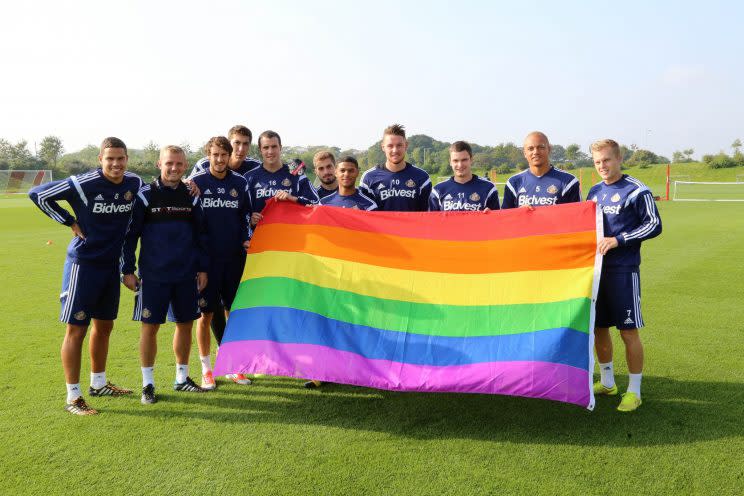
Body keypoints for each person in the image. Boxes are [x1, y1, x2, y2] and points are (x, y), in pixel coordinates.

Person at [29, 137, 142, 415]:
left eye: (121, 158)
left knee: (104, 326)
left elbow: (156, 192)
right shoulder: (84, 183)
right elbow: (39, 194)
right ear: (100, 160)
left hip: (110, 267)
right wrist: (69, 221)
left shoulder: (134, 183)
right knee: (76, 330)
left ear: (127, 159)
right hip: (84, 265)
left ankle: (99, 383)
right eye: (110, 159)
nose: (116, 164)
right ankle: (73, 397)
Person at [121, 145, 210, 404]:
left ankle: (182, 378)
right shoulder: (145, 196)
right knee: (150, 328)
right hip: (153, 276)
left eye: (179, 164)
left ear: (185, 166)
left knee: (185, 325)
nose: (174, 168)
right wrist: (127, 270)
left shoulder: (191, 196)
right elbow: (130, 237)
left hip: (186, 274)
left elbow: (201, 235)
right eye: (169, 163)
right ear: (159, 164)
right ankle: (147, 384)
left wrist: (202, 267)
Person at [587, 139, 662, 412]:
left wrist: (619, 239)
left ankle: (634, 390)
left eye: (606, 160)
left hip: (623, 271)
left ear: (619, 159)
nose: (602, 166)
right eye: (597, 162)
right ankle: (608, 382)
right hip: (596, 272)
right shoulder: (593, 192)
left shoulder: (636, 190)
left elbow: (654, 224)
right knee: (598, 328)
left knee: (628, 331)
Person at [190, 137, 252, 389]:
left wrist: (247, 238)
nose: (219, 159)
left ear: (229, 156)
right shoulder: (197, 184)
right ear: (208, 156)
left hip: (234, 259)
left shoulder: (239, 182)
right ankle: (206, 369)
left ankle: (232, 365)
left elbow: (246, 215)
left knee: (232, 312)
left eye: (223, 155)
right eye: (214, 155)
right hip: (206, 261)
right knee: (205, 314)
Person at [244, 130, 319, 229]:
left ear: (280, 148)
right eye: (266, 147)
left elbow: (316, 203)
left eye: (274, 146)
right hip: (260, 239)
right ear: (260, 150)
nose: (270, 151)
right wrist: (250, 220)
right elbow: (241, 212)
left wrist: (293, 198)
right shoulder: (249, 177)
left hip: (291, 237)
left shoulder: (295, 171)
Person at [359, 124, 431, 212]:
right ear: (383, 147)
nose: (395, 150)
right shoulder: (368, 178)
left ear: (406, 145)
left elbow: (428, 215)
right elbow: (363, 215)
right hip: (380, 226)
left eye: (399, 145)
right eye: (390, 146)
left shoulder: (422, 177)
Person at [501, 131, 581, 209]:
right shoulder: (514, 182)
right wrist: (519, 213)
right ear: (524, 153)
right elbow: (505, 219)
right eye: (530, 148)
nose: (535, 152)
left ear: (549, 149)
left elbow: (577, 217)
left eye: (541, 147)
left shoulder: (569, 182)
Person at [429, 141, 500, 211]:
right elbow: (431, 221)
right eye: (455, 161)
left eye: (464, 160)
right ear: (450, 162)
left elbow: (498, 220)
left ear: (471, 160)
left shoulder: (488, 188)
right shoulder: (438, 190)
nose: (460, 165)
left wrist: (492, 216)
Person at [188, 125, 261, 178]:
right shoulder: (204, 165)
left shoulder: (256, 166)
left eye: (245, 144)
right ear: (229, 143)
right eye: (237, 143)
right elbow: (188, 184)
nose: (241, 149)